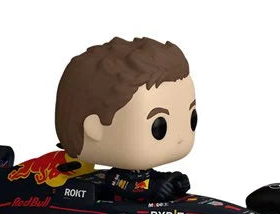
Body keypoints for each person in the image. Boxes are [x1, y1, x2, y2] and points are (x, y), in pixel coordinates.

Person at [55, 37, 196, 201]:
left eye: (192, 119)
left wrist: (173, 180)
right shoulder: (115, 178)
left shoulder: (141, 171)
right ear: (94, 129)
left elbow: (150, 177)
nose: (179, 138)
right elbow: (126, 186)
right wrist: (154, 189)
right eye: (159, 127)